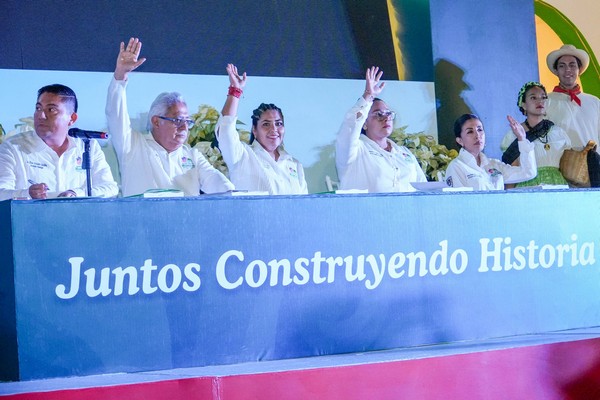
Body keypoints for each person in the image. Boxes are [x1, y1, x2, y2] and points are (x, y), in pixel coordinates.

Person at [105, 37, 234, 197]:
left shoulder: (191, 155)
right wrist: (120, 76)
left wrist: (234, 194)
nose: (184, 128)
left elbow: (219, 184)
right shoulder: (133, 145)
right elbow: (115, 115)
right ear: (156, 121)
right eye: (178, 120)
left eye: (187, 122)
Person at [0, 84, 118, 200]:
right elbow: (1, 193)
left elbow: (110, 188)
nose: (41, 115)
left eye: (51, 110)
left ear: (72, 118)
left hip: (78, 213)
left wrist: (76, 194)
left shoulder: (87, 146)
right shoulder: (13, 147)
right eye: (38, 108)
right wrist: (27, 194)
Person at [214, 64, 308, 194]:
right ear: (254, 130)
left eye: (278, 123)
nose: (274, 129)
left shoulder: (294, 164)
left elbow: (305, 202)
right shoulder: (242, 155)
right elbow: (225, 131)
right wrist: (235, 91)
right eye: (266, 124)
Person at [335, 66, 427, 192]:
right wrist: (368, 95)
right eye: (378, 114)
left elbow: (424, 187)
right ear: (364, 123)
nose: (386, 118)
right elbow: (350, 126)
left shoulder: (403, 152)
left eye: (388, 113)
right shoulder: (355, 150)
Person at [500, 81, 571, 186]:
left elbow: (567, 169)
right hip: (527, 189)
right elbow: (512, 176)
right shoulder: (514, 134)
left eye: (543, 97)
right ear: (523, 104)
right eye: (533, 98)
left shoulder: (559, 133)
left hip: (557, 187)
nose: (540, 101)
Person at [444, 114, 537, 190]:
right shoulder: (457, 166)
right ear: (460, 140)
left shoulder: (493, 164)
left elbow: (527, 172)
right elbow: (458, 201)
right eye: (470, 132)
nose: (477, 135)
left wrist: (522, 138)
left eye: (480, 130)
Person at [545, 44, 600, 154]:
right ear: (556, 71)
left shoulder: (595, 102)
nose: (567, 70)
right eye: (562, 66)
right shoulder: (546, 101)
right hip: (560, 162)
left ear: (579, 70)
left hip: (592, 162)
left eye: (572, 65)